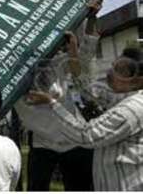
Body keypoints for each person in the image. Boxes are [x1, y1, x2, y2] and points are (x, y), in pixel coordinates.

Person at [26, 46, 143, 191]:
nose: (111, 72)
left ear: (137, 81)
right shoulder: (122, 97)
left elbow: (86, 135)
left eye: (121, 70)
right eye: (114, 65)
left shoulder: (130, 110)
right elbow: (88, 90)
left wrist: (52, 104)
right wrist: (73, 54)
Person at [15, 0, 102, 191]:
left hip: (74, 141)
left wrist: (92, 17)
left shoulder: (53, 64)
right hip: (42, 144)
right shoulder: (9, 79)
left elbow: (85, 53)